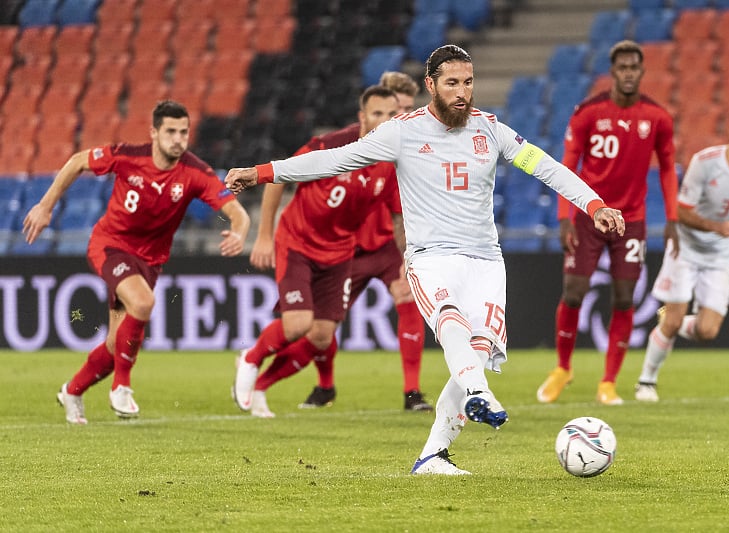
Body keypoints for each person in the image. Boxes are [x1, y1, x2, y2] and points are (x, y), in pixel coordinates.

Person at [225, 44, 625, 475]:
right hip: (431, 258)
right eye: (452, 83)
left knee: (477, 350)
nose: (462, 93)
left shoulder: (491, 130)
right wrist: (264, 171)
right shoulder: (403, 131)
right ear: (431, 84)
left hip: (486, 261)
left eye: (468, 83)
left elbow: (545, 166)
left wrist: (594, 203)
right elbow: (334, 160)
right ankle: (479, 391)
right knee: (452, 324)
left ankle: (433, 454)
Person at [22, 100, 250, 424]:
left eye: (183, 132)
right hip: (110, 246)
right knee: (143, 302)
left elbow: (236, 212)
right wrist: (46, 206)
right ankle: (122, 387)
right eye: (170, 131)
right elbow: (77, 161)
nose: (178, 139)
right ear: (154, 132)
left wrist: (240, 233)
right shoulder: (129, 155)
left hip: (150, 260)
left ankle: (72, 390)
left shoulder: (196, 172)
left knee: (117, 345)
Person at [249, 72, 433, 414]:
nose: (401, 117)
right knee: (317, 332)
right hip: (347, 249)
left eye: (406, 110)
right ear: (370, 112)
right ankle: (319, 384)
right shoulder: (346, 144)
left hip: (387, 247)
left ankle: (412, 392)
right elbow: (290, 172)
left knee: (408, 299)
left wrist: (413, 250)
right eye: (394, 109)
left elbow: (409, 206)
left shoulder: (406, 147)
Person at [536, 39, 680, 406]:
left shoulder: (657, 117)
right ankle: (562, 369)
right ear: (612, 72)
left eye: (634, 67)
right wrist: (565, 217)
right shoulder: (587, 113)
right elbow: (566, 167)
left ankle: (608, 382)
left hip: (631, 220)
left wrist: (673, 217)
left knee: (624, 297)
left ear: (641, 71)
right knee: (573, 291)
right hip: (589, 214)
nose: (629, 73)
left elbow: (666, 170)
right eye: (622, 68)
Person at [635, 109, 729, 402]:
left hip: (723, 256)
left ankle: (668, 321)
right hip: (686, 249)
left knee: (707, 330)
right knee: (675, 321)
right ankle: (646, 382)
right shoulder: (705, 163)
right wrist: (716, 227)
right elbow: (681, 212)